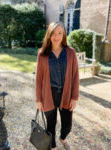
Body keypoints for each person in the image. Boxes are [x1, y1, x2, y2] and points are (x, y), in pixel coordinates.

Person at [35, 21, 79, 150]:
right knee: (50, 125)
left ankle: (63, 138)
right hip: (49, 94)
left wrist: (74, 97)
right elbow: (38, 79)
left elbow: (75, 76)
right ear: (49, 35)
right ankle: (53, 146)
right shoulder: (42, 54)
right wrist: (38, 99)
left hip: (66, 95)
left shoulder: (71, 53)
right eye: (53, 33)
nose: (56, 36)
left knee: (67, 125)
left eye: (59, 33)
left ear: (64, 34)